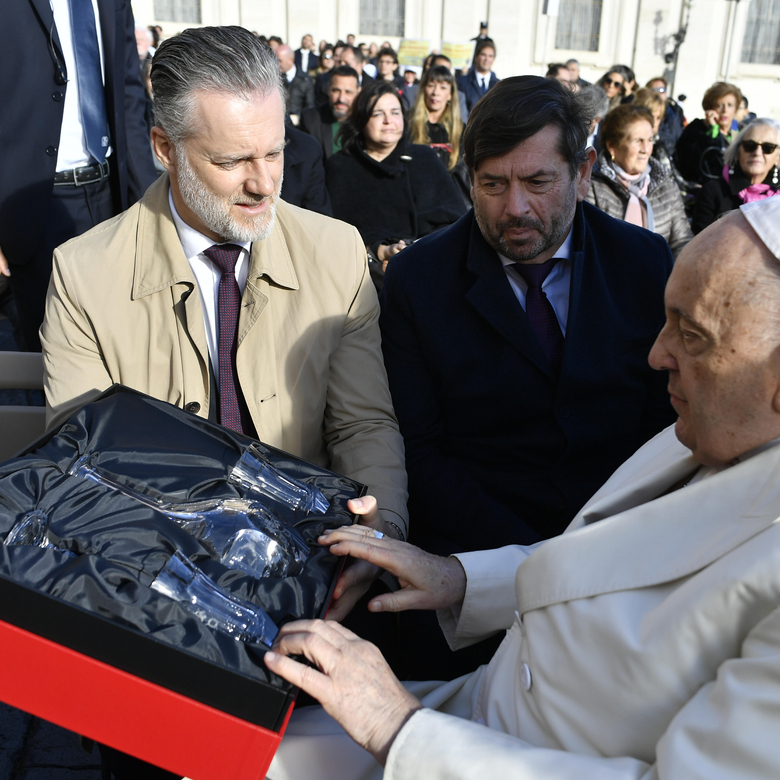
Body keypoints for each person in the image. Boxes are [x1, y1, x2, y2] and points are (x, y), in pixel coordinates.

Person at [265, 196, 780, 780]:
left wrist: (396, 726)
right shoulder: (716, 421)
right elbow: (614, 567)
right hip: (472, 712)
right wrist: (458, 577)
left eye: (692, 335)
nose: (657, 353)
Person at [41, 26, 409, 624]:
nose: (263, 183)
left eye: (274, 151)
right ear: (164, 147)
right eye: (232, 160)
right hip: (153, 588)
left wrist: (379, 533)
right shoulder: (84, 273)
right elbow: (89, 468)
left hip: (312, 574)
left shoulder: (337, 252)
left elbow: (362, 422)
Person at [377, 76, 675, 680]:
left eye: (538, 182)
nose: (515, 207)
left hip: (620, 574)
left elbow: (663, 430)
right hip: (465, 589)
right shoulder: (418, 280)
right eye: (492, 184)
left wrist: (596, 555)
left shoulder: (642, 264)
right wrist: (531, 568)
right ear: (469, 180)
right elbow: (421, 450)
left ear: (584, 169)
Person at [0, 0, 158, 351]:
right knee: (51, 357)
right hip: (31, 204)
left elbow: (128, 92)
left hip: (112, 197)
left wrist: (151, 197)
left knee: (123, 346)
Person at [325, 81, 466, 281]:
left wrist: (417, 248)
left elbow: (455, 223)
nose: (388, 121)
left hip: (428, 270)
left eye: (395, 112)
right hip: (361, 278)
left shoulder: (424, 157)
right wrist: (378, 250)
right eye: (377, 114)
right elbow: (332, 235)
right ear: (362, 119)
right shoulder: (340, 166)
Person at [585, 104, 692, 258]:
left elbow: (682, 242)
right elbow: (589, 247)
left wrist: (670, 279)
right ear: (612, 146)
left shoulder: (665, 184)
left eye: (649, 140)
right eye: (638, 141)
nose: (646, 148)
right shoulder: (592, 186)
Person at [692, 117, 780, 234]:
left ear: (777, 158)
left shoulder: (777, 198)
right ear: (738, 152)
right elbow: (699, 244)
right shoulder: (713, 192)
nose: (757, 153)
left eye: (768, 148)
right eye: (750, 145)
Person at [675, 81, 742, 185]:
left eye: (730, 105)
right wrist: (713, 131)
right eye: (719, 105)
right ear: (710, 108)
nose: (725, 110)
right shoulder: (696, 129)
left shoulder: (740, 131)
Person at [407, 66, 463, 172]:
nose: (435, 92)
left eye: (443, 87)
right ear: (423, 89)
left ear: (450, 94)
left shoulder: (460, 130)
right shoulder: (407, 122)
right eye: (431, 86)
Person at [299, 65, 360, 161]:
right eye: (336, 91)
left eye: (348, 92)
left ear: (358, 92)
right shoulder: (310, 119)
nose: (341, 98)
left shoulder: (365, 122)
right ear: (328, 89)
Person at [645, 76, 686, 159]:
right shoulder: (645, 110)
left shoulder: (675, 110)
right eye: (655, 90)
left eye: (662, 90)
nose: (659, 93)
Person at [457, 39, 498, 112]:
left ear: (493, 59)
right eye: (483, 55)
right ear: (476, 57)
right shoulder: (462, 82)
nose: (486, 59)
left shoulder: (498, 85)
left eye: (490, 56)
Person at [276, 44, 314, 120]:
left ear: (290, 60)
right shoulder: (274, 78)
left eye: (280, 61)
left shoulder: (305, 80)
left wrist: (298, 118)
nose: (277, 64)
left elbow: (310, 107)